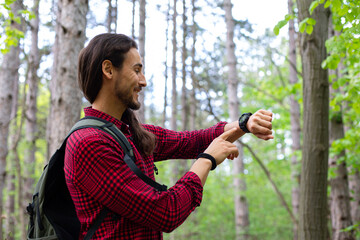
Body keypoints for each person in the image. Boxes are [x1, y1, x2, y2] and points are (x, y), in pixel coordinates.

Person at [64, 33, 273, 239]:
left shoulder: (129, 133)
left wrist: (244, 124)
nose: (143, 81)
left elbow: (189, 141)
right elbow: (165, 212)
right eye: (136, 70)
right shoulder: (89, 143)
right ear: (108, 70)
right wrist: (207, 160)